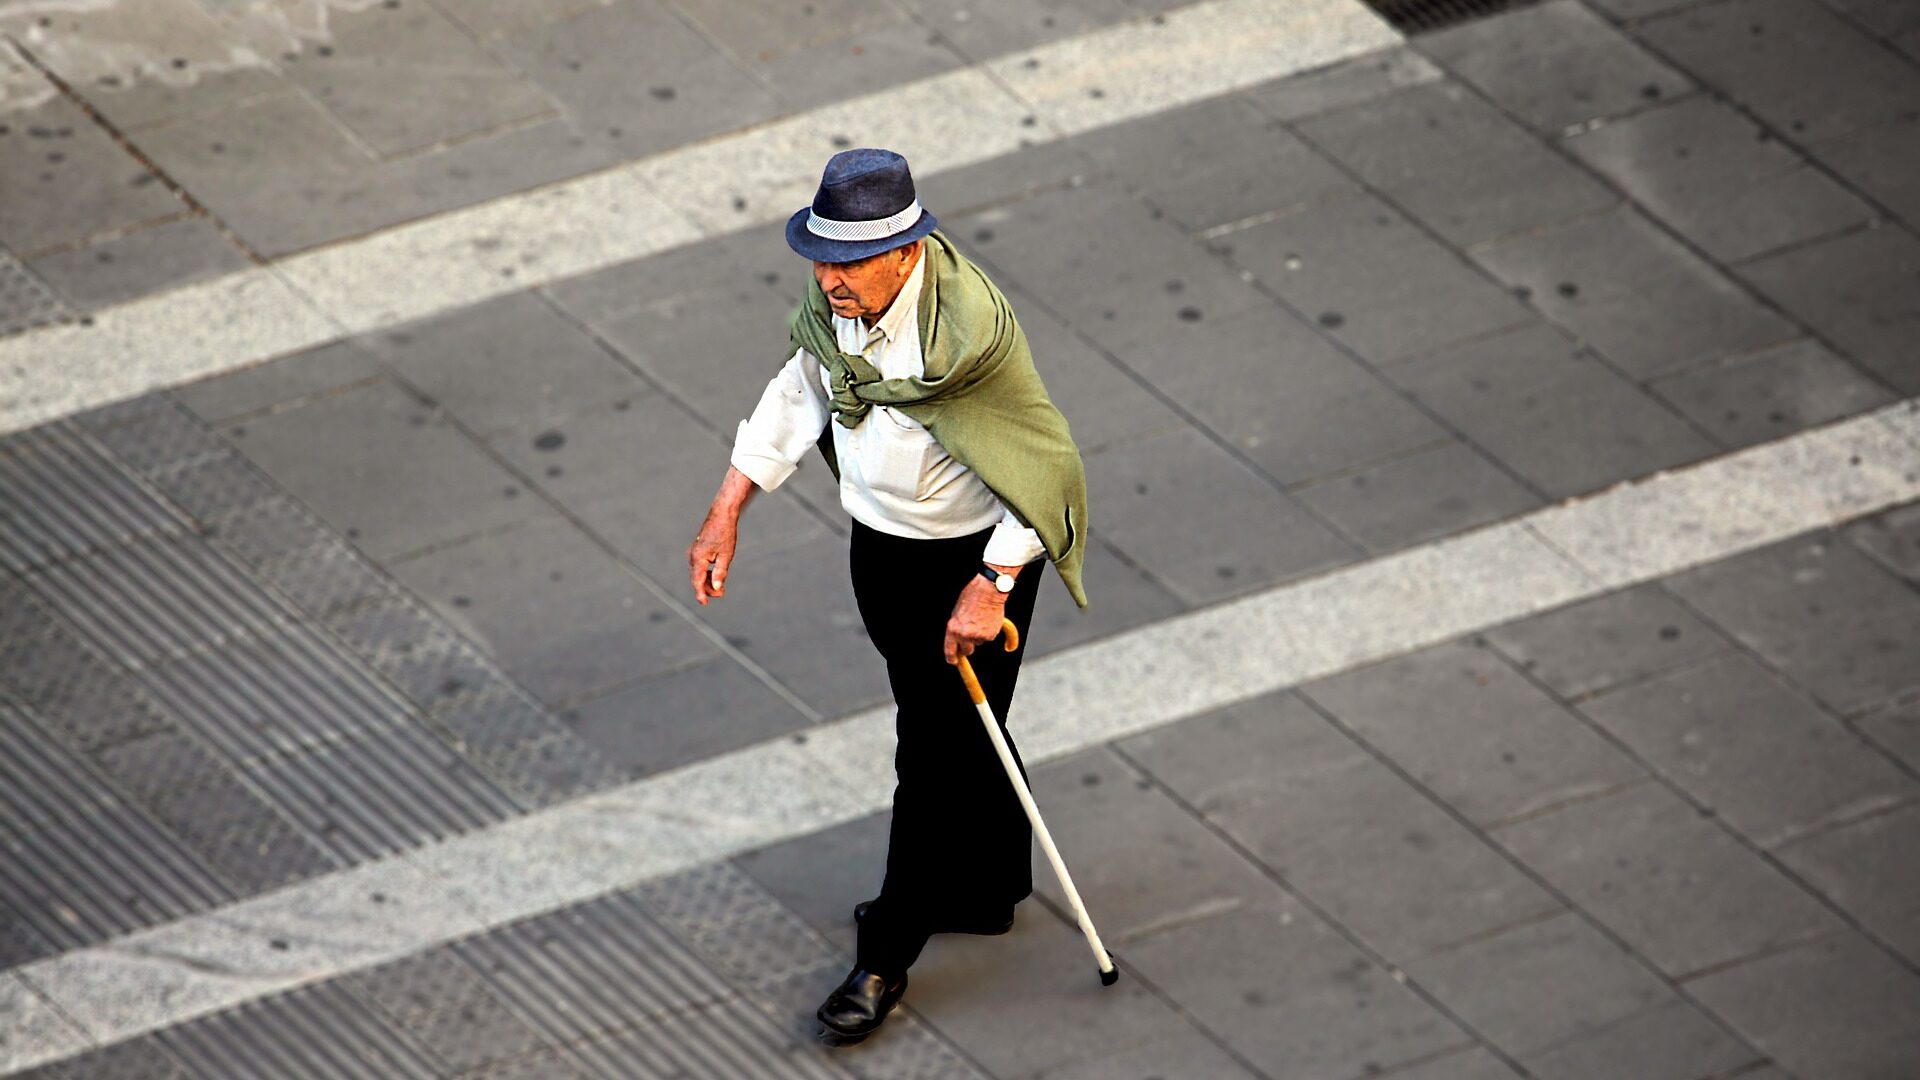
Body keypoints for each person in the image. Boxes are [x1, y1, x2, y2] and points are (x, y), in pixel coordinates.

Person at [687, 148, 1089, 1042]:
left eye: (850, 262)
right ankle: (989, 888)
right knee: (948, 724)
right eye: (821, 258)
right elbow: (800, 389)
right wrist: (727, 511)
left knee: (932, 753)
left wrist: (993, 584)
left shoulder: (967, 336)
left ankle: (885, 952)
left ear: (905, 252)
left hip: (973, 568)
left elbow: (1042, 465)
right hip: (883, 551)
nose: (829, 280)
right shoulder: (834, 313)